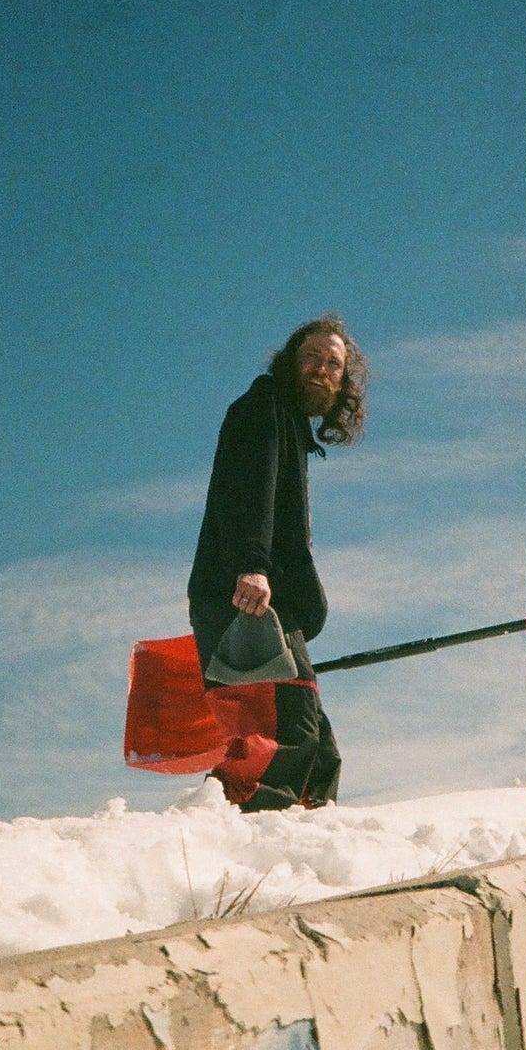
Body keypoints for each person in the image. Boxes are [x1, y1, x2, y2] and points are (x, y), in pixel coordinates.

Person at [188, 314, 368, 811]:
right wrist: (252, 565)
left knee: (313, 743)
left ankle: (309, 835)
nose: (321, 370)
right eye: (312, 357)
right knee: (282, 735)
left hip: (268, 599)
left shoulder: (288, 424)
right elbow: (246, 489)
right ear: (289, 360)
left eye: (333, 364)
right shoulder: (263, 406)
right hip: (246, 597)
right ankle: (251, 835)